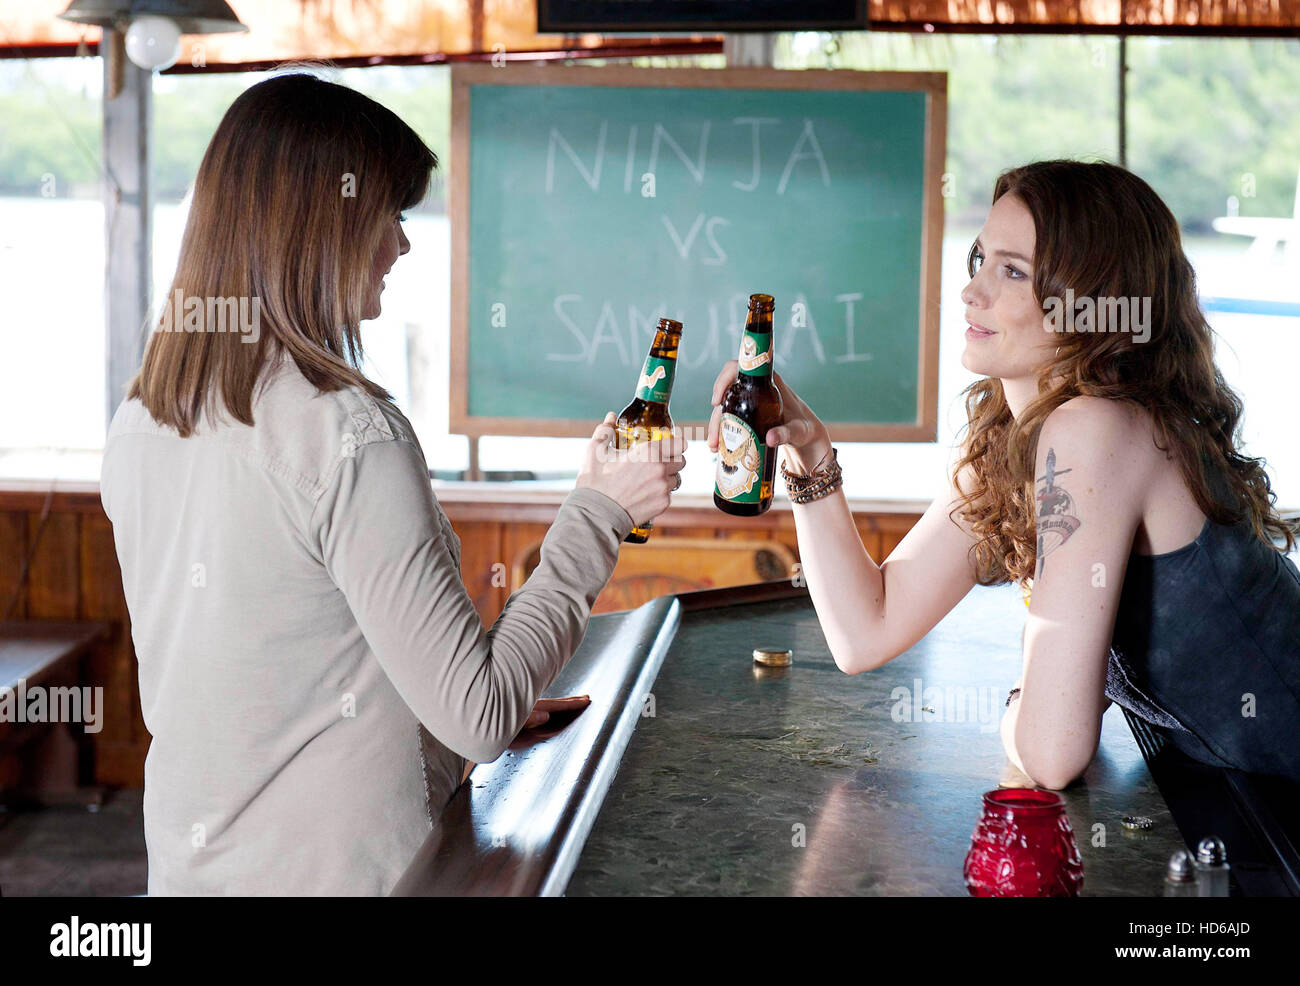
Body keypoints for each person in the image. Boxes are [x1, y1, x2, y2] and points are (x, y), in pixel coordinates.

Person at [99, 73, 686, 895]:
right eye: (393, 215)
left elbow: (281, 673)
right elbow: (479, 716)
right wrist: (600, 514)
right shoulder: (349, 432)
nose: (402, 246)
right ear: (327, 223)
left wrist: (447, 721)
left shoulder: (140, 424)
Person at [709, 159, 1300, 788]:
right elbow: (864, 632)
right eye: (979, 260)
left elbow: (1050, 752)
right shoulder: (1013, 437)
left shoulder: (1096, 429)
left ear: (1091, 308)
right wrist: (811, 456)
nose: (971, 291)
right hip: (1247, 800)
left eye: (1012, 271)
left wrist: (1025, 704)